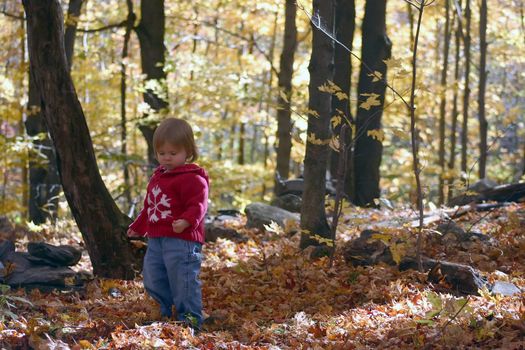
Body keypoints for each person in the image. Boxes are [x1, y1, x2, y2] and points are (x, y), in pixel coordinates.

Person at [127, 117, 209, 331]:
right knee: (153, 276)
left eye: (173, 153)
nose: (167, 158)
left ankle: (190, 319)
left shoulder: (193, 178)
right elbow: (150, 207)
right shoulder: (157, 178)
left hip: (182, 241)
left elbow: (198, 205)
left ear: (187, 151)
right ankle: (162, 312)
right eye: (162, 153)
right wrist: (138, 226)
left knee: (183, 280)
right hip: (156, 239)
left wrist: (186, 221)